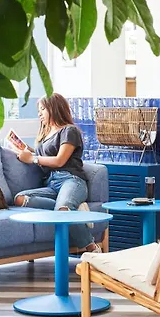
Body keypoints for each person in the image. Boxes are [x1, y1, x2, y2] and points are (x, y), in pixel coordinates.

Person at [14, 93, 101, 253]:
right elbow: (43, 157)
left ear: (53, 108)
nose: (39, 114)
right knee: (20, 199)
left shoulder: (69, 131)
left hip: (71, 180)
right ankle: (74, 210)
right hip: (51, 184)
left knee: (62, 211)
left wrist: (32, 158)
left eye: (42, 109)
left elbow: (60, 160)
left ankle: (92, 248)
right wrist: (25, 151)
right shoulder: (44, 135)